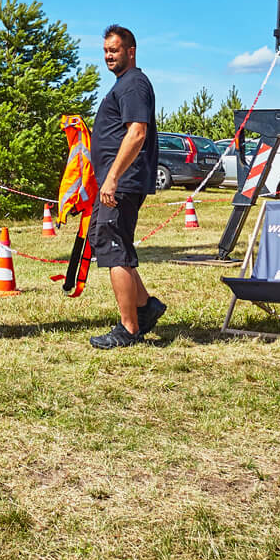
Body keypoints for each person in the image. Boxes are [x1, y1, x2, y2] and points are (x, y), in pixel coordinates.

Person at [87, 25, 166, 349]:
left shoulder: (133, 84)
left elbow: (136, 133)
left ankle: (129, 329)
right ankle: (146, 307)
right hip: (116, 181)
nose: (109, 55)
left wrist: (113, 177)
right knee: (107, 241)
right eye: (106, 50)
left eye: (115, 50)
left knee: (114, 248)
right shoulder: (125, 84)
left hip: (121, 182)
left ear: (130, 51)